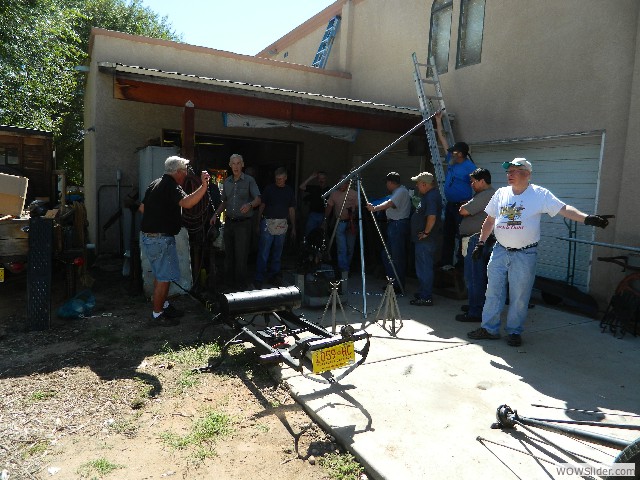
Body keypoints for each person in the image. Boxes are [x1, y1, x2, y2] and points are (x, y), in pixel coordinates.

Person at [467, 158, 609, 346]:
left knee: (519, 296)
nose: (509, 174)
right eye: (508, 171)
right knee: (493, 292)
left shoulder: (539, 194)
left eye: (514, 171)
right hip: (500, 251)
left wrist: (587, 219)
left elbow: (564, 209)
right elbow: (490, 221)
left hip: (525, 254)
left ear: (527, 173)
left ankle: (514, 332)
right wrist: (481, 243)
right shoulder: (501, 193)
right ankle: (489, 329)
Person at [139, 156, 211, 326]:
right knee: (163, 278)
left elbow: (142, 208)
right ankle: (157, 315)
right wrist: (204, 186)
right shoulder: (170, 185)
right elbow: (188, 203)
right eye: (185, 170)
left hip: (154, 238)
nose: (186, 174)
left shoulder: (155, 183)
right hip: (160, 239)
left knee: (162, 275)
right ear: (178, 172)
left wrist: (159, 218)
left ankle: (163, 305)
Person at [211, 154, 261, 291]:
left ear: (242, 165)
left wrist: (250, 205)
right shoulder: (226, 182)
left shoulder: (249, 181)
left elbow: (258, 199)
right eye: (234, 163)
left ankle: (241, 286)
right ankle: (228, 286)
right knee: (228, 255)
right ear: (230, 165)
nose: (236, 166)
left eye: (239, 163)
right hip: (229, 222)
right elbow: (224, 202)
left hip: (243, 224)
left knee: (241, 256)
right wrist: (215, 214)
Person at [435, 112, 476, 269]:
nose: (451, 153)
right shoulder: (452, 161)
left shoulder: (470, 168)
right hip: (451, 204)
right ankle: (446, 261)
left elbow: (479, 186)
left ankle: (460, 263)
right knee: (448, 234)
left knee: (462, 235)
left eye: (455, 151)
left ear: (462, 155)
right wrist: (438, 121)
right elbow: (442, 139)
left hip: (462, 206)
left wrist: (471, 204)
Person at [456, 168, 495, 322]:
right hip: (478, 240)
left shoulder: (486, 194)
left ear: (482, 181)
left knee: (474, 276)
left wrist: (466, 205)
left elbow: (463, 211)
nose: (471, 184)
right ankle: (476, 304)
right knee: (476, 275)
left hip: (476, 240)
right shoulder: (485, 195)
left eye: (473, 181)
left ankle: (476, 311)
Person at [366, 172, 411, 293]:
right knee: (387, 255)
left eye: (387, 182)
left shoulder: (401, 192)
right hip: (394, 225)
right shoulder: (398, 192)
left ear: (391, 182)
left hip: (398, 225)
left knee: (396, 256)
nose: (386, 185)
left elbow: (389, 203)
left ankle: (398, 285)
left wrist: (374, 208)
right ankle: (392, 282)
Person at [254, 167, 296, 288]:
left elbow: (291, 209)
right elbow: (262, 206)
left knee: (278, 252)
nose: (279, 181)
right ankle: (259, 277)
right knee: (264, 252)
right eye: (277, 179)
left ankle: (274, 276)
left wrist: (294, 227)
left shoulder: (289, 191)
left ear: (285, 178)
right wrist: (258, 223)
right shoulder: (269, 189)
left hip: (282, 223)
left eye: (281, 179)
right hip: (268, 221)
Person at [409, 172, 442, 306]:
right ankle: (423, 291)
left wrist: (426, 233)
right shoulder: (428, 196)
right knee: (422, 267)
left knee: (424, 268)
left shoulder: (431, 197)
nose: (417, 186)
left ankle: (426, 296)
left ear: (424, 184)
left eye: (418, 183)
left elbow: (432, 217)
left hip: (426, 240)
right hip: (424, 240)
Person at [324, 174, 358, 278]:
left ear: (348, 184)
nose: (340, 185)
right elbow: (329, 208)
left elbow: (358, 209)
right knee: (341, 248)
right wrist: (325, 220)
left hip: (351, 223)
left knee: (350, 248)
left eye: (342, 183)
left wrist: (353, 215)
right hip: (340, 222)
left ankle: (346, 267)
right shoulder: (334, 194)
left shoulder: (354, 194)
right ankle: (343, 270)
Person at [299, 171, 329, 238]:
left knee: (322, 236)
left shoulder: (330, 190)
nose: (321, 180)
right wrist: (311, 177)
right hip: (312, 215)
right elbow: (301, 187)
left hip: (324, 216)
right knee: (309, 234)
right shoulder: (314, 188)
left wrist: (326, 219)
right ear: (317, 180)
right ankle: (307, 248)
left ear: (326, 179)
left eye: (323, 178)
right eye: (319, 178)